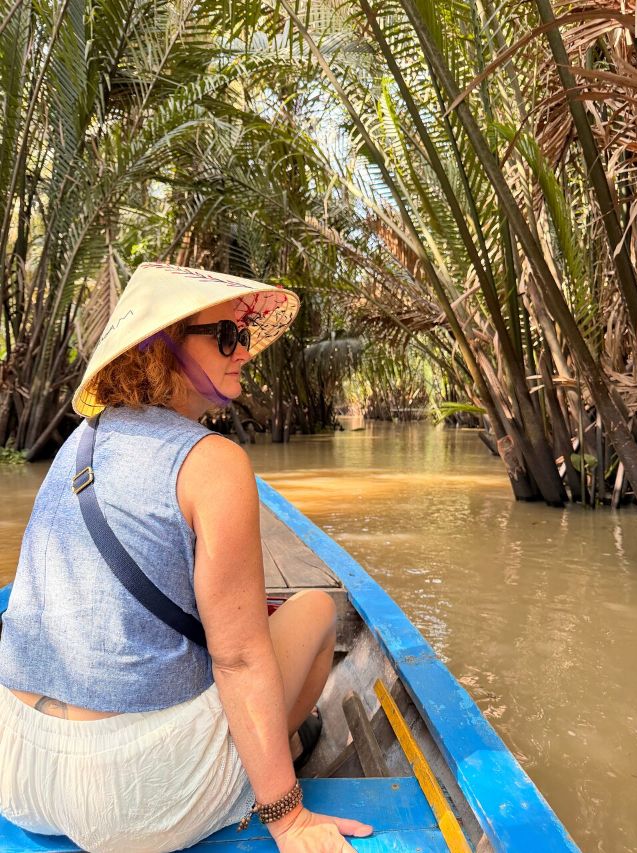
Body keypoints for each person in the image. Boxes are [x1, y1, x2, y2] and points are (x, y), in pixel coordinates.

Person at [0, 263, 373, 852]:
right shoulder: (215, 463)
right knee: (316, 614)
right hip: (132, 800)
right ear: (159, 348)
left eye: (244, 336)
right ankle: (268, 776)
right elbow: (240, 661)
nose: (244, 352)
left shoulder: (80, 441)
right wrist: (288, 818)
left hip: (17, 771)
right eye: (226, 336)